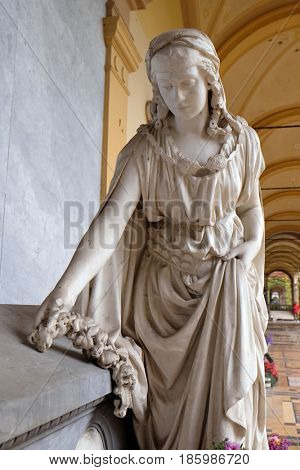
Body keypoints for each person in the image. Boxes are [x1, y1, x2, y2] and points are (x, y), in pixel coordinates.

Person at [33, 29, 269, 449]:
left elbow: (251, 207)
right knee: (159, 428)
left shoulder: (242, 143)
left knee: (220, 425)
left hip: (223, 290)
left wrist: (251, 244)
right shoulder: (147, 150)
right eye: (166, 85)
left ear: (210, 82)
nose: (177, 96)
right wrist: (64, 290)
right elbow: (111, 222)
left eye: (187, 84)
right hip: (161, 301)